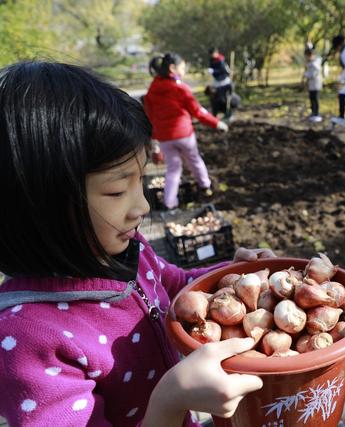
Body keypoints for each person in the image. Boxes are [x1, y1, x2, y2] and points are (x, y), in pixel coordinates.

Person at [0, 61, 273, 426]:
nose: (143, 207)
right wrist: (170, 402)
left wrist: (235, 275)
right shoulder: (28, 340)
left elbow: (175, 283)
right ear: (37, 205)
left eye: (141, 180)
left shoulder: (126, 249)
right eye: (116, 190)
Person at [145, 53, 228, 210]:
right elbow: (197, 111)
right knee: (195, 160)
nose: (184, 70)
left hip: (165, 138)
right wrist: (217, 123)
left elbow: (150, 116)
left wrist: (154, 140)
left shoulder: (152, 90)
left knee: (173, 169)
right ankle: (205, 186)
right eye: (182, 67)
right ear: (172, 68)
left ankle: (170, 202)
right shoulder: (180, 88)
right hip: (184, 135)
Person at [207, 47, 234, 120]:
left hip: (224, 81)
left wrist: (214, 71)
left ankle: (228, 114)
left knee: (225, 99)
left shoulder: (221, 60)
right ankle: (215, 115)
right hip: (216, 82)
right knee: (214, 99)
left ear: (216, 53)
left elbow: (223, 71)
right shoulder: (212, 60)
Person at [303, 44, 323, 122]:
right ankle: (313, 113)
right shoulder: (311, 62)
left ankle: (316, 113)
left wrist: (306, 75)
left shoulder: (315, 63)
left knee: (315, 98)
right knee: (311, 98)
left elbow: (314, 73)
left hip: (316, 83)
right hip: (312, 84)